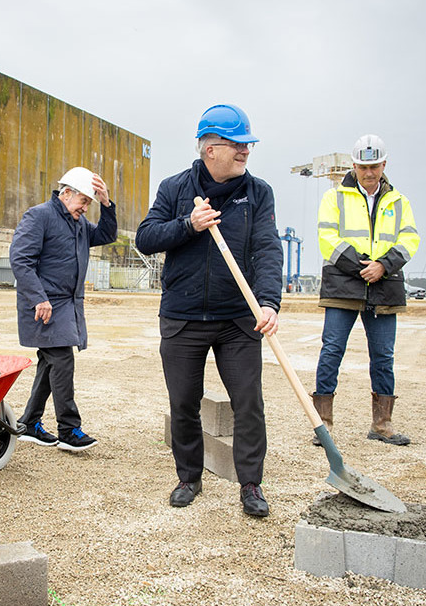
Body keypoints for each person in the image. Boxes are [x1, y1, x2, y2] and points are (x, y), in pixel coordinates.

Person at [135, 104, 284, 517]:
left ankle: (250, 484)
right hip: (183, 317)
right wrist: (188, 224)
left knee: (248, 401)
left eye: (248, 145)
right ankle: (189, 477)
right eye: (238, 146)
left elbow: (269, 250)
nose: (246, 152)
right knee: (184, 401)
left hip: (238, 319)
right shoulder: (175, 189)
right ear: (210, 149)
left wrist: (269, 301)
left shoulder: (258, 193)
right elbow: (145, 238)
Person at [312, 134, 420, 448]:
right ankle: (324, 426)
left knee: (383, 357)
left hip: (384, 287)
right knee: (331, 351)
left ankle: (382, 425)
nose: (368, 172)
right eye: (363, 166)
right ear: (354, 166)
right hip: (343, 284)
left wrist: (383, 266)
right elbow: (327, 238)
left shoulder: (399, 202)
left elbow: (409, 240)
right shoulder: (335, 198)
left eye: (374, 166)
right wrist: (361, 267)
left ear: (383, 164)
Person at [10, 167, 117, 452]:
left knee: (51, 362)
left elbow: (107, 234)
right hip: (43, 305)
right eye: (84, 201)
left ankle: (29, 423)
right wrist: (38, 298)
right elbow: (21, 259)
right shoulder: (40, 215)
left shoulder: (79, 224)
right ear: (66, 193)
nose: (85, 208)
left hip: (67, 306)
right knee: (62, 359)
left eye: (89, 204)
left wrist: (107, 205)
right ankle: (69, 429)